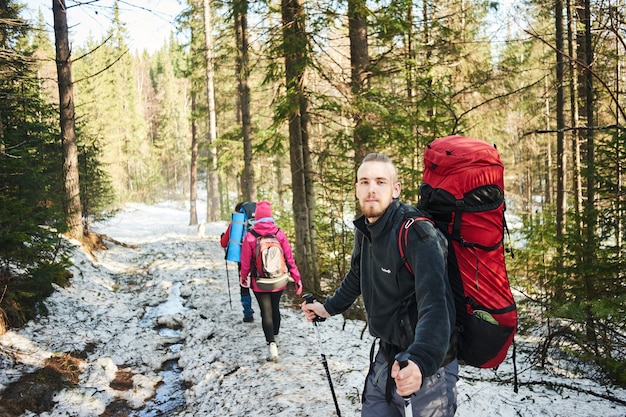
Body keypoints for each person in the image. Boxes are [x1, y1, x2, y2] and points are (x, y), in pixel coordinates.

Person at [301, 153, 458, 417]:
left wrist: (420, 362)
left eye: (380, 181)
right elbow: (356, 277)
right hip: (387, 357)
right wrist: (327, 308)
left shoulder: (418, 234)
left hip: (429, 367)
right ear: (357, 189)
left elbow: (437, 304)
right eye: (364, 181)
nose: (371, 188)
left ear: (395, 189)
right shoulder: (366, 231)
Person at [240, 200, 303, 361]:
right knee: (275, 309)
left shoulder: (250, 236)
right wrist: (297, 279)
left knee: (265, 312)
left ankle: (271, 344)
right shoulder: (279, 233)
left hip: (259, 282)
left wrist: (243, 277)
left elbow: (245, 262)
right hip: (279, 280)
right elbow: (289, 259)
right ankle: (276, 336)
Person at [220, 202, 255, 323]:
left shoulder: (236, 223)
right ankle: (267, 311)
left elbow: (224, 243)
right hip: (259, 258)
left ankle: (248, 313)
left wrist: (223, 237)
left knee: (244, 285)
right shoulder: (259, 221)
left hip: (242, 260)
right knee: (258, 285)